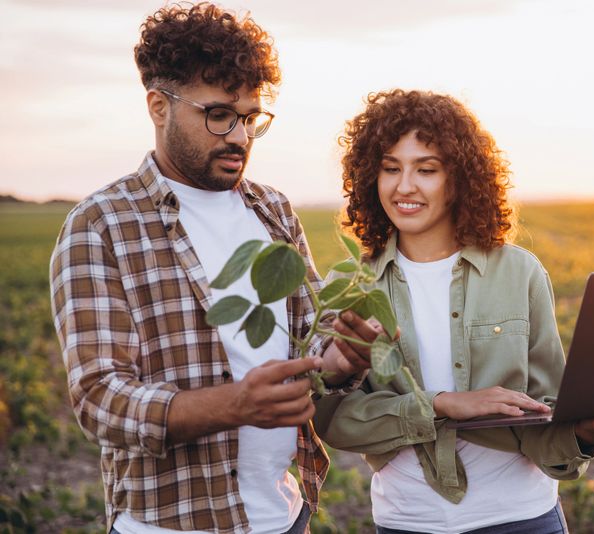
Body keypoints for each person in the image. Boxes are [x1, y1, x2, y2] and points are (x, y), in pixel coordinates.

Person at [49, 3, 379, 533]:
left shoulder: (273, 210)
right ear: (159, 106)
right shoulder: (100, 224)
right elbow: (99, 399)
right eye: (219, 114)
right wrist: (235, 405)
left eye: (250, 118)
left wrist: (341, 360)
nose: (240, 137)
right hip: (170, 523)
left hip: (285, 514)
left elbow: (308, 343)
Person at [313, 89, 594, 533]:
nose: (404, 186)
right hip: (408, 522)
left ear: (459, 179)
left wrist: (592, 433)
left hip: (522, 518)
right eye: (390, 168)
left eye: (426, 169)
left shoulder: (519, 272)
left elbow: (544, 411)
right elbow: (334, 421)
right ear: (369, 177)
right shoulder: (349, 284)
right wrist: (443, 405)